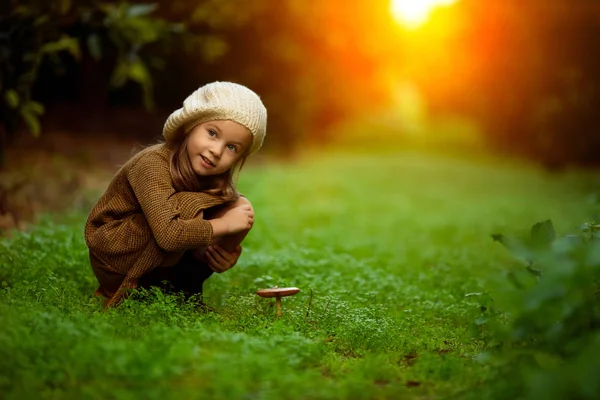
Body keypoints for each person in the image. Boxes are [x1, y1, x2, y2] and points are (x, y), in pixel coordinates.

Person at [84, 81, 267, 308]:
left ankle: (182, 291)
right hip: (116, 255)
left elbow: (228, 214)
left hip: (161, 253)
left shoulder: (211, 177)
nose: (217, 150)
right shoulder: (152, 164)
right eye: (212, 133)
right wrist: (225, 226)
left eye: (232, 147)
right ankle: (138, 290)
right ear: (191, 125)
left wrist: (221, 252)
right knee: (191, 206)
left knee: (239, 206)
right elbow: (168, 235)